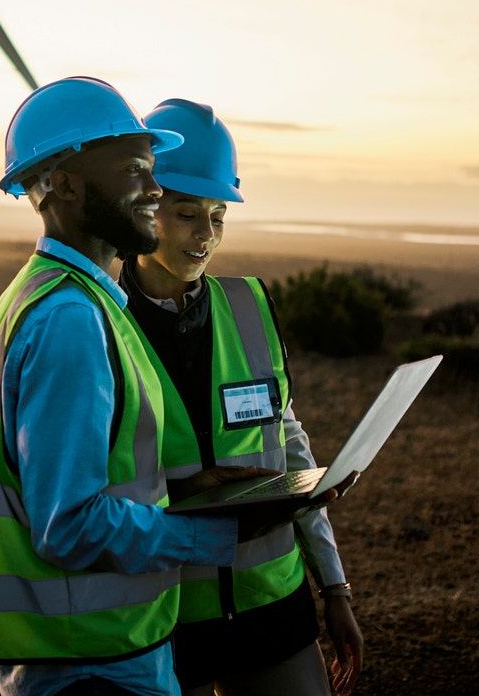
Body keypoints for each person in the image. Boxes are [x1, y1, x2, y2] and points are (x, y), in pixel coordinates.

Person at [0, 77, 304, 696]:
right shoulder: (70, 318)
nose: (154, 188)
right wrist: (212, 533)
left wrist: (185, 487)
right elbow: (68, 524)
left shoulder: (69, 297)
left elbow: (84, 478)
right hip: (88, 663)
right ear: (65, 186)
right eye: (134, 169)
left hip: (104, 649)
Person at [118, 98, 365, 696]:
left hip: (272, 607)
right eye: (185, 213)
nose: (206, 236)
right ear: (146, 208)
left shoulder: (251, 307)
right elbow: (82, 487)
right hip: (162, 617)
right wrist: (181, 490)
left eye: (218, 215)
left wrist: (334, 588)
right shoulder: (99, 321)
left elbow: (290, 446)